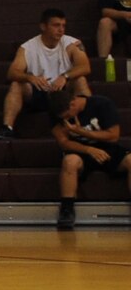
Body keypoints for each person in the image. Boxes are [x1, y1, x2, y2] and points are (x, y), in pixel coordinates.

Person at [0, 9, 90, 138]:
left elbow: (85, 67)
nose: (61, 29)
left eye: (63, 25)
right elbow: (12, 73)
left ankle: (88, 124)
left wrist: (65, 76)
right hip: (40, 92)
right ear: (43, 26)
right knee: (16, 84)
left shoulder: (72, 44)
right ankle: (7, 128)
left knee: (81, 80)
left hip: (63, 93)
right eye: (56, 25)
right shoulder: (27, 47)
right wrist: (30, 77)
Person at [52, 87, 128, 229]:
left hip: (107, 148)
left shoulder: (102, 104)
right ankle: (67, 210)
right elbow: (64, 143)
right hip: (81, 152)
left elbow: (113, 136)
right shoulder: (57, 113)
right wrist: (88, 149)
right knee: (70, 161)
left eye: (68, 115)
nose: (66, 119)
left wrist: (80, 131)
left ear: (73, 103)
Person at [96, 0, 131, 72]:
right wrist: (125, 15)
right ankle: (102, 64)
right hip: (119, 22)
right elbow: (105, 10)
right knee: (104, 22)